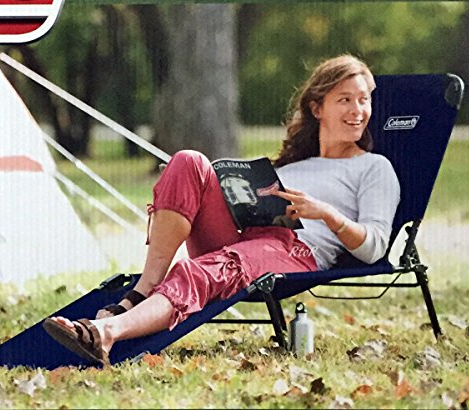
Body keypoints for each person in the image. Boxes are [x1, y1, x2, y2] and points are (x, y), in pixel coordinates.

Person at [43, 55, 400, 365]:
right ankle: (144, 289)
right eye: (345, 100)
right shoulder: (293, 164)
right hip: (248, 235)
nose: (358, 111)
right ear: (317, 108)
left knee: (201, 269)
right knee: (188, 162)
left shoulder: (373, 167)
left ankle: (106, 332)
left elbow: (374, 248)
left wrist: (326, 213)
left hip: (293, 251)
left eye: (363, 100)